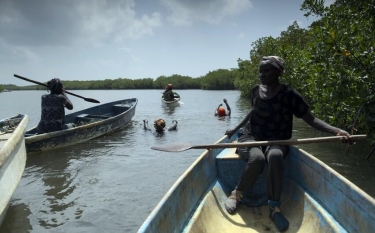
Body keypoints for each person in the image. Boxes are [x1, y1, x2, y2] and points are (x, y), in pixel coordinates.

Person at [223, 56, 352, 232]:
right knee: (258, 158)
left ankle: (274, 208)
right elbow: (252, 113)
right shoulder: (255, 90)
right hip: (252, 136)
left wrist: (336, 130)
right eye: (260, 70)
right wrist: (235, 129)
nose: (262, 74)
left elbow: (311, 119)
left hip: (278, 138)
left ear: (278, 72)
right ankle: (237, 194)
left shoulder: (290, 94)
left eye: (266, 70)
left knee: (275, 156)